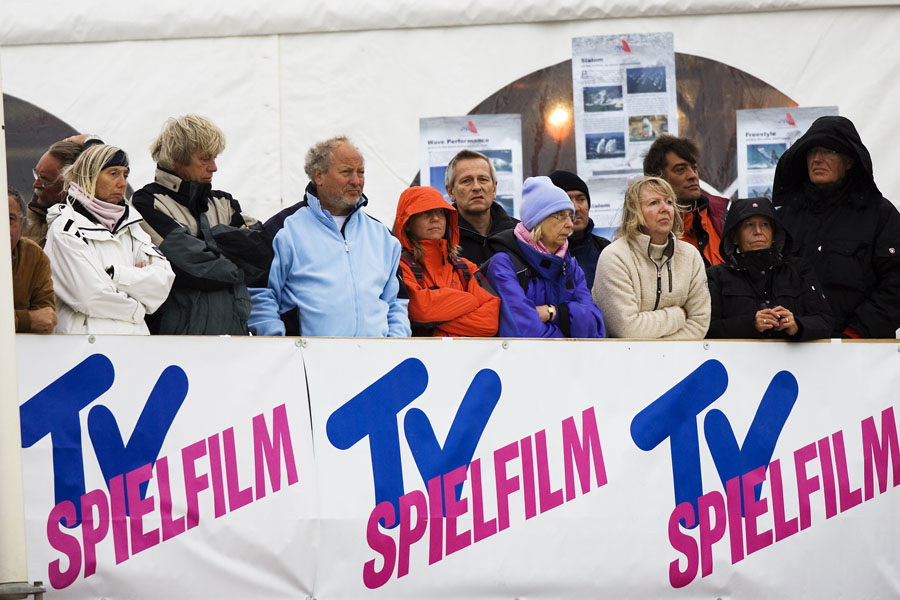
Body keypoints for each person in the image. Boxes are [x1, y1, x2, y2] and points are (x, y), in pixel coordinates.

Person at [249, 136, 410, 337]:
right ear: (319, 176)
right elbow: (260, 293)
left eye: (361, 172)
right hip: (307, 362)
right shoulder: (282, 230)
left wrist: (395, 343)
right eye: (346, 172)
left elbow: (396, 302)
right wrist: (279, 344)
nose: (356, 181)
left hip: (376, 363)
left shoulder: (382, 236)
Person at [132, 115, 272, 335]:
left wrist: (209, 240)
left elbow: (262, 251)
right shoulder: (147, 202)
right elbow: (190, 266)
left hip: (235, 335)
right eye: (205, 159)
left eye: (215, 158)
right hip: (177, 339)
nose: (214, 167)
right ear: (178, 158)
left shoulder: (224, 201)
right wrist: (237, 260)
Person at [772, 115, 900, 338]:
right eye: (811, 152)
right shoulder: (784, 218)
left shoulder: (881, 215)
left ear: (849, 161)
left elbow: (896, 283)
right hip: (791, 349)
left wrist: (855, 334)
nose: (817, 159)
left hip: (862, 354)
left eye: (828, 151)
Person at [43, 145, 175, 335]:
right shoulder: (65, 228)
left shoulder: (132, 226)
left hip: (135, 345)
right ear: (89, 175)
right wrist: (138, 308)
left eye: (125, 175)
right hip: (83, 348)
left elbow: (163, 283)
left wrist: (115, 275)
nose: (122, 183)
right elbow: (88, 296)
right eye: (113, 173)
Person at [483, 176, 605, 338]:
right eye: (561, 215)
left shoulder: (570, 266)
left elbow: (595, 327)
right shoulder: (504, 265)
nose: (569, 224)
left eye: (570, 215)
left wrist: (553, 312)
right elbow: (523, 332)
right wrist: (570, 331)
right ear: (537, 221)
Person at [592, 176, 710, 339]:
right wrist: (679, 315)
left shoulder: (690, 256)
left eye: (669, 202)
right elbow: (627, 329)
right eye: (654, 203)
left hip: (681, 360)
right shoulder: (614, 257)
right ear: (635, 213)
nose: (665, 209)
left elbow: (699, 323)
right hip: (623, 359)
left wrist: (664, 353)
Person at [706, 198, 831, 340]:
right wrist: (750, 324)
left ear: (774, 233)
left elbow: (825, 322)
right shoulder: (716, 276)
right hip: (737, 361)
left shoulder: (799, 270)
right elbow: (707, 328)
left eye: (765, 225)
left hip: (794, 360)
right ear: (734, 236)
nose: (758, 231)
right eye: (749, 225)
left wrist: (797, 325)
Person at [393, 186, 499, 337]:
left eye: (440, 212)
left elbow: (490, 323)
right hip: (423, 359)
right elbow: (419, 310)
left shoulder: (466, 268)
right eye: (425, 212)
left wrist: (436, 325)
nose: (435, 218)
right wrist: (470, 300)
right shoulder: (399, 266)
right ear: (407, 223)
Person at [643, 135, 727, 267]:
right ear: (658, 178)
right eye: (681, 170)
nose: (693, 176)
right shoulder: (646, 233)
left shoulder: (721, 217)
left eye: (694, 168)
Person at [25, 134, 102, 247]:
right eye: (37, 174)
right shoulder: (18, 221)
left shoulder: (115, 224)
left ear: (75, 185)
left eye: (45, 180)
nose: (36, 184)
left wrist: (92, 141)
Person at [445, 149, 518, 265]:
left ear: (494, 189)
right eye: (466, 181)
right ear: (451, 192)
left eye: (483, 179)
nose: (477, 187)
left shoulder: (519, 234)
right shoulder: (441, 240)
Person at [548, 170, 610, 288]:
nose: (575, 208)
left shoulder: (604, 249)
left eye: (581, 199)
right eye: (567, 200)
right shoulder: (540, 253)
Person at [9, 186, 56, 333]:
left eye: (10, 219)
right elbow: (36, 320)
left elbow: (46, 319)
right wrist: (27, 320)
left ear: (22, 228)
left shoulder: (34, 256)